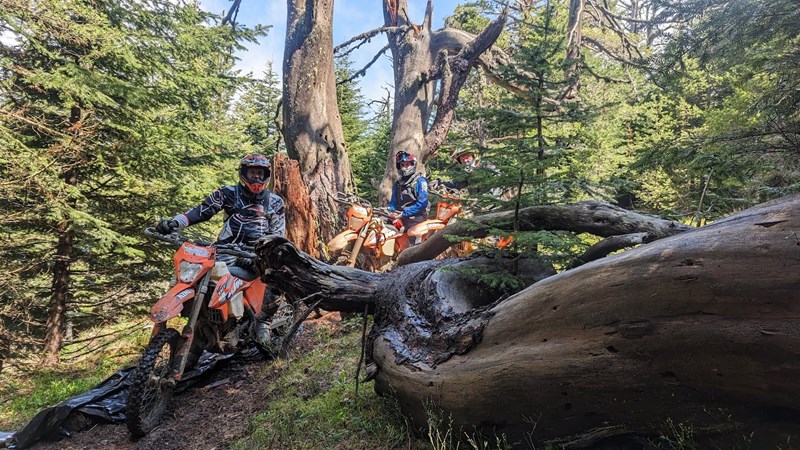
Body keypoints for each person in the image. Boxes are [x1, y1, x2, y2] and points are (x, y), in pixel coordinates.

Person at [155, 152, 285, 346]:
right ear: (243, 173)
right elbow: (200, 211)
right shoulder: (227, 193)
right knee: (199, 281)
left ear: (267, 174)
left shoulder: (275, 202)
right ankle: (202, 335)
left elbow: (278, 235)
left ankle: (263, 322)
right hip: (224, 250)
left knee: (278, 275)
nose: (256, 178)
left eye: (260, 173)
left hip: (255, 254)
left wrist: (262, 256)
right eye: (252, 173)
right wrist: (174, 223)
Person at [388, 151, 429, 243]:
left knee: (413, 238)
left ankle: (416, 252)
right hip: (401, 215)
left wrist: (404, 214)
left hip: (417, 216)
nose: (404, 168)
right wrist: (392, 213)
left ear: (412, 165)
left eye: (407, 165)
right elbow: (393, 202)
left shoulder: (420, 181)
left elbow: (422, 203)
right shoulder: (398, 184)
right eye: (402, 165)